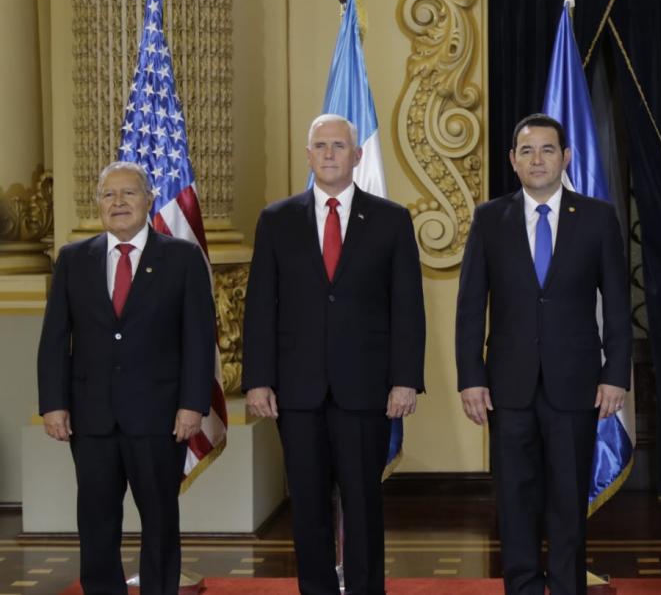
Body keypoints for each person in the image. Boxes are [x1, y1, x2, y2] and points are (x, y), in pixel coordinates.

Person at [242, 114, 426, 595]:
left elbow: (407, 307)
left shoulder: (391, 220)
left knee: (363, 504)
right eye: (320, 146)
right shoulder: (276, 220)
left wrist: (405, 379)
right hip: (297, 391)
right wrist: (258, 379)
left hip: (366, 390)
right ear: (308, 156)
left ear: (357, 155)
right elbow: (260, 306)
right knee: (307, 506)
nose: (329, 154)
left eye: (339, 146)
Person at [455, 113, 632, 595]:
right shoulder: (490, 219)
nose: (537, 160)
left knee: (568, 500)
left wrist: (616, 374)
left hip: (576, 385)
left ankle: (568, 586)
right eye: (527, 151)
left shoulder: (597, 217)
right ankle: (524, 587)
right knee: (515, 499)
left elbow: (618, 304)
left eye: (548, 150)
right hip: (506, 386)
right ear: (512, 160)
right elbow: (470, 306)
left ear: (566, 157)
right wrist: (471, 377)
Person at [37, 161, 216, 595]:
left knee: (159, 520)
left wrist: (192, 404)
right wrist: (53, 404)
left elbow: (198, 337)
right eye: (108, 194)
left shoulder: (181, 258)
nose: (118, 202)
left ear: (149, 200)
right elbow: (55, 337)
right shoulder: (74, 259)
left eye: (128, 193)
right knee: (96, 522)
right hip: (92, 418)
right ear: (98, 203)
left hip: (159, 417)